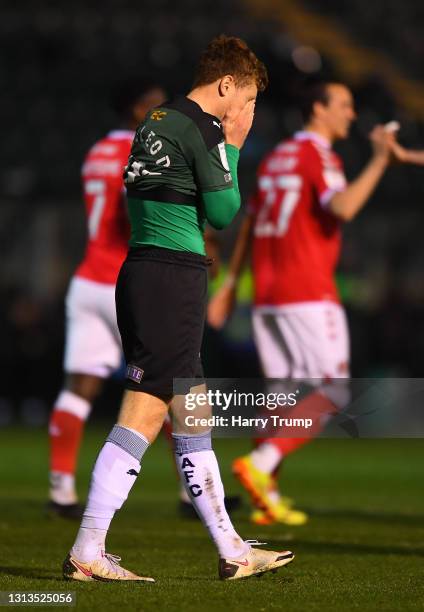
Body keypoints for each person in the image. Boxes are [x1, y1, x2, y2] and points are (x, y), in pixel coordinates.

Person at [63, 35, 295, 583]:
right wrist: (235, 146)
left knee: (191, 411)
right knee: (147, 411)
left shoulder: (155, 120)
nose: (249, 111)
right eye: (250, 98)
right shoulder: (203, 128)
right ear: (226, 85)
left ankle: (231, 549)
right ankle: (90, 547)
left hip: (147, 271)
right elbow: (223, 212)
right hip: (171, 277)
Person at [208, 79, 398, 526]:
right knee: (333, 390)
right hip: (308, 290)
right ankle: (263, 462)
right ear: (318, 109)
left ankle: (264, 496)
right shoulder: (318, 155)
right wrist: (379, 161)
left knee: (279, 394)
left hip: (268, 294)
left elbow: (251, 222)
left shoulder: (276, 158)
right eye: (344, 105)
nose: (351, 114)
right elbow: (344, 207)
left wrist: (233, 283)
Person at [48, 79, 166, 519]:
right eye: (154, 106)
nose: (161, 113)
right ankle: (192, 493)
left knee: (78, 389)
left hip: (87, 280)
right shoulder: (138, 149)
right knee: (173, 379)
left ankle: (60, 490)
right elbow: (136, 208)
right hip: (125, 280)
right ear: (136, 109)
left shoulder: (97, 150)